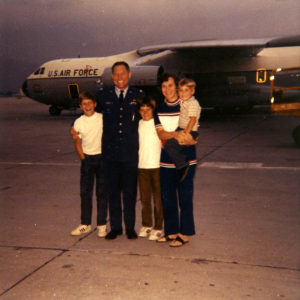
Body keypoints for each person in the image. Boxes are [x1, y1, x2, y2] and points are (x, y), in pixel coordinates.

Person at [97, 61, 144, 240]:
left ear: (129, 75)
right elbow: (92, 115)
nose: (119, 77)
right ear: (112, 77)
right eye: (116, 74)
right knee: (113, 192)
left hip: (130, 152)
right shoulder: (103, 95)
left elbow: (148, 116)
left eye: (122, 73)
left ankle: (130, 227)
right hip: (110, 153)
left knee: (130, 192)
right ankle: (116, 227)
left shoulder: (139, 95)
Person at [154, 73, 197, 247]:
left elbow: (193, 133)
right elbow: (160, 133)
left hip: (186, 160)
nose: (167, 90)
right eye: (164, 87)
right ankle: (171, 231)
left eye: (171, 86)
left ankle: (185, 233)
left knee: (185, 197)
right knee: (168, 197)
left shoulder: (186, 105)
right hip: (165, 160)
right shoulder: (159, 108)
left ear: (177, 87)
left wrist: (185, 137)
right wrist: (177, 135)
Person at [70, 91, 108, 238]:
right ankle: (85, 224)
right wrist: (83, 159)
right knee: (85, 193)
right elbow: (77, 142)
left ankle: (102, 225)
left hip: (102, 159)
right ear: (80, 106)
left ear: (95, 104)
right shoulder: (78, 122)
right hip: (87, 159)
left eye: (90, 103)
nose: (87, 106)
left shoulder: (102, 118)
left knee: (102, 193)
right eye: (84, 104)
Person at [163, 78, 201, 182]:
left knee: (169, 145)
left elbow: (193, 120)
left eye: (186, 90)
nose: (183, 93)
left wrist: (185, 133)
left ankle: (182, 166)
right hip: (181, 128)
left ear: (192, 91)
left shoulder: (193, 103)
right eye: (180, 90)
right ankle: (181, 164)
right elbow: (174, 100)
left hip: (189, 130)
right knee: (171, 145)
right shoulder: (184, 101)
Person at [137, 96, 163, 241]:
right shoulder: (138, 124)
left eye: (148, 109)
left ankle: (158, 227)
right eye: (142, 110)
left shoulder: (158, 124)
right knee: (145, 199)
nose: (145, 112)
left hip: (157, 167)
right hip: (142, 167)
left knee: (158, 200)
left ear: (153, 110)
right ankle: (146, 225)